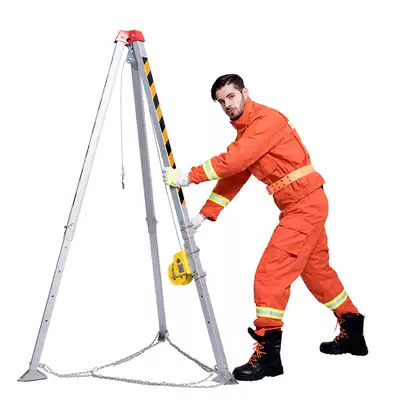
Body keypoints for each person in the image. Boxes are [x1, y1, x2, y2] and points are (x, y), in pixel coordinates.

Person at [162, 74, 368, 381]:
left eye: (231, 97)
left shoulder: (265, 121)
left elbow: (233, 161)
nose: (226, 105)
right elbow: (234, 175)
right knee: (317, 272)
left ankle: (268, 357)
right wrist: (205, 214)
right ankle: (353, 331)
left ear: (245, 92)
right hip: (302, 205)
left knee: (271, 274)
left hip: (304, 205)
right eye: (221, 101)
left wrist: (189, 176)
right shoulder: (247, 133)